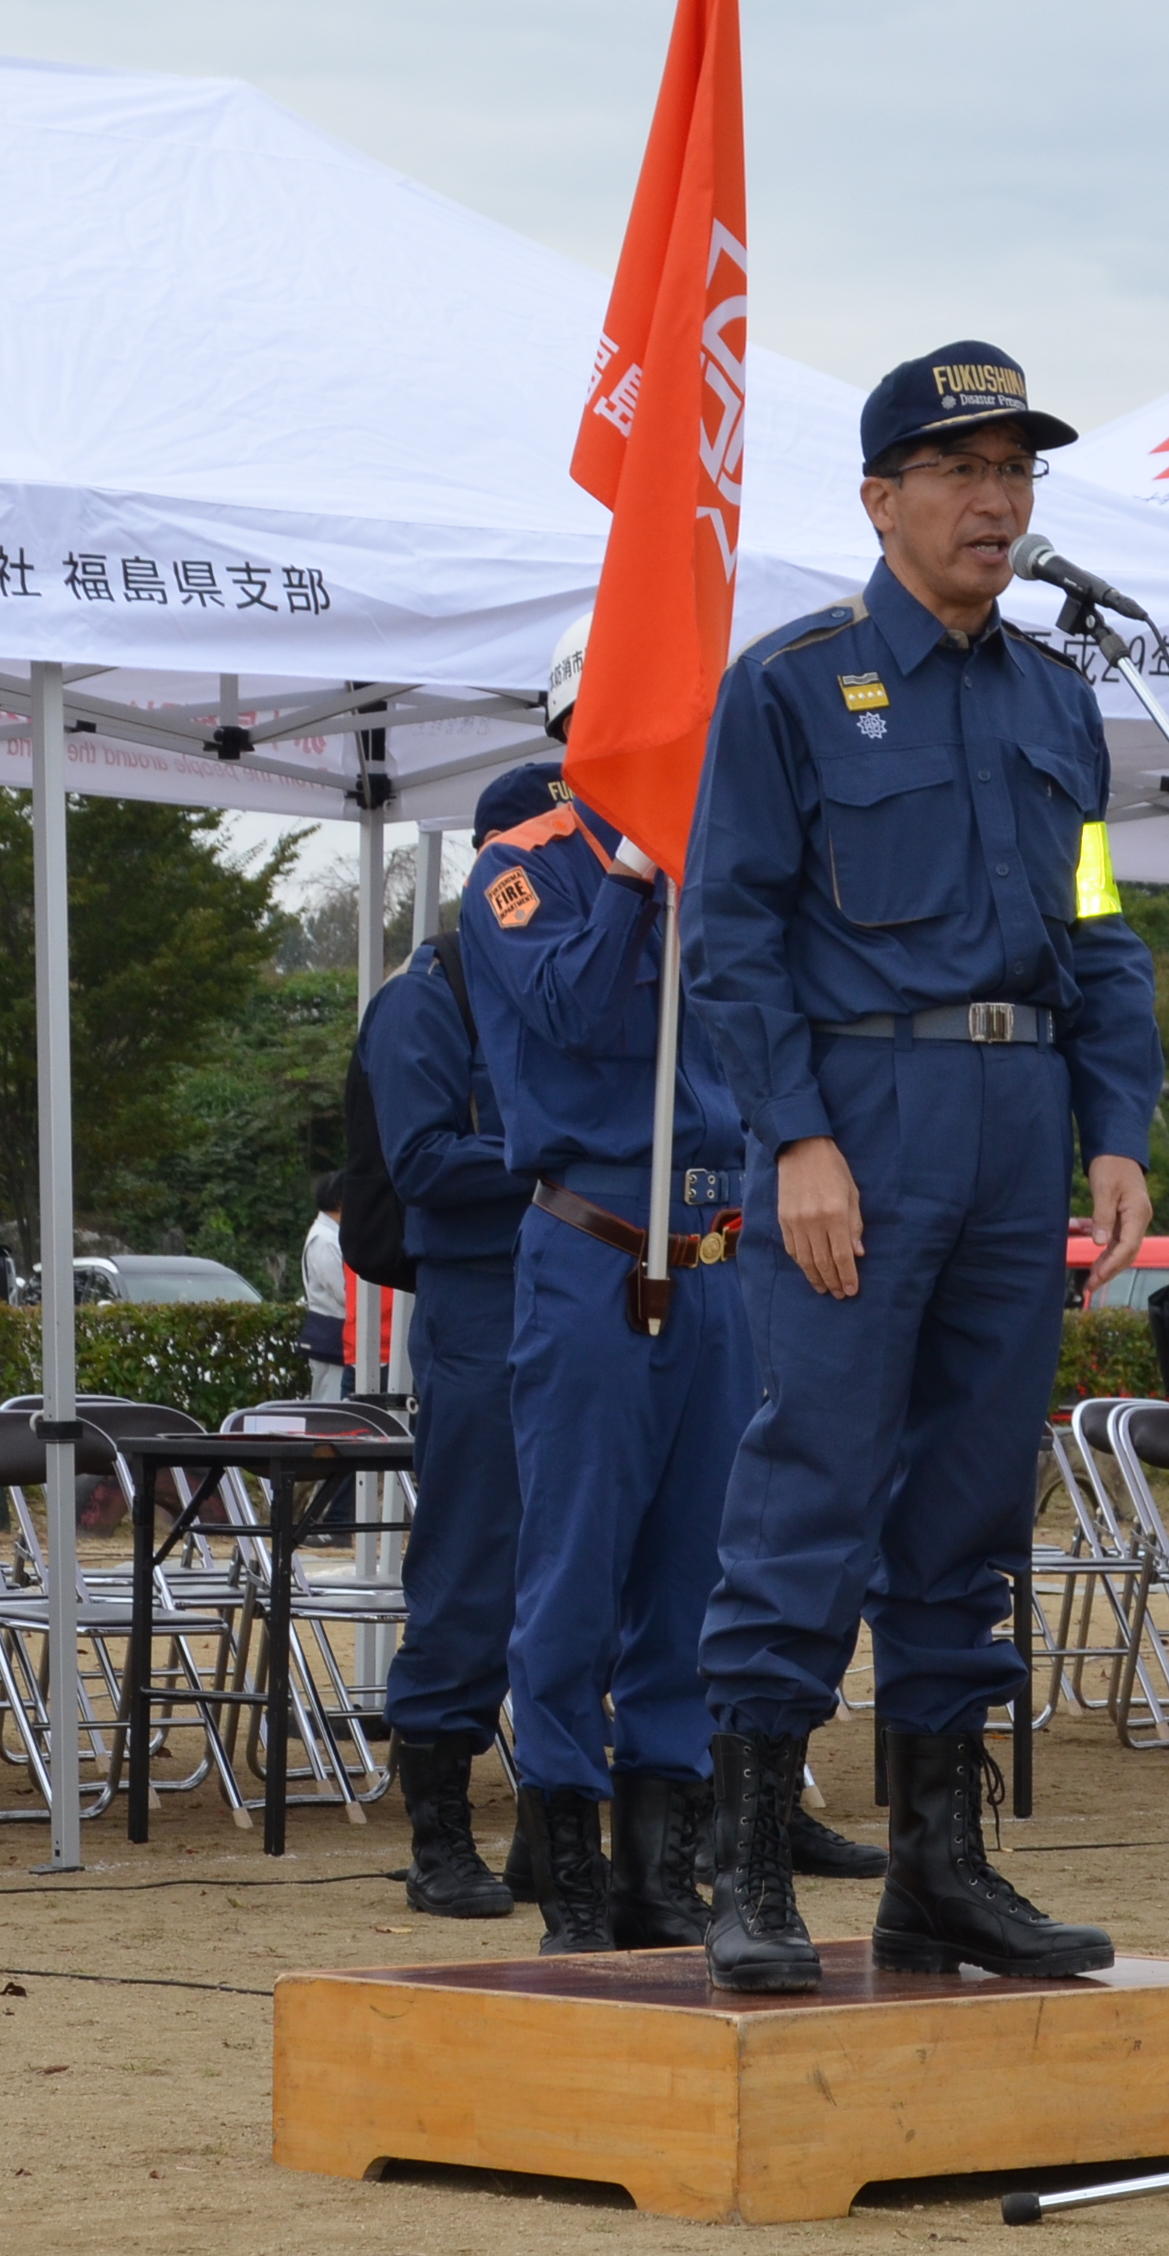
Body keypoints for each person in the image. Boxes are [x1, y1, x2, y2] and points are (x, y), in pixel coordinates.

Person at [686, 340, 1160, 1994]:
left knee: (971, 1500)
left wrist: (1116, 1127)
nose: (996, 498)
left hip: (1020, 1117)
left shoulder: (1058, 699)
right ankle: (743, 1860)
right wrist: (796, 1134)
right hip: (861, 1121)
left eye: (1017, 470)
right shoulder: (793, 683)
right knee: (811, 1476)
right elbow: (730, 928)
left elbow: (1096, 923)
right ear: (881, 498)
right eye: (961, 469)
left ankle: (941, 1869)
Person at [461, 759, 753, 1956]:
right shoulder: (517, 867)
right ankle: (568, 1863)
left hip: (717, 1252)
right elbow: (575, 1009)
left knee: (696, 1573)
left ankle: (657, 1864)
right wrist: (634, 868)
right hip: (594, 1245)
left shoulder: (722, 858)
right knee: (576, 1566)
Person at [365, 766, 549, 1919]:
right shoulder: (430, 994)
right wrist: (560, 1155)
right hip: (485, 1305)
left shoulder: (584, 983)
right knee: (474, 1566)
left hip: (600, 1297)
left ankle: (566, 1830)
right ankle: (439, 1829)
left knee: (603, 1570)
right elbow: (420, 1161)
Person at [299, 1176, 349, 1400]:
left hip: (337, 1336)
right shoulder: (324, 1239)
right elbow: (344, 1293)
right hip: (331, 1336)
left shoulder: (333, 1235)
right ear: (339, 1201)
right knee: (330, 1405)